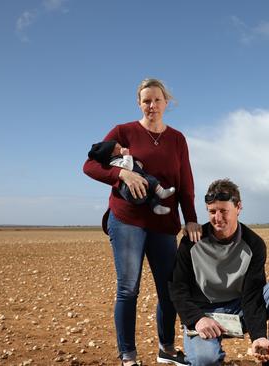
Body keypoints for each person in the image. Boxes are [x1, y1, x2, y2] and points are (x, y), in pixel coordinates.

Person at [83, 78, 202, 366]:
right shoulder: (123, 132)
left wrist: (192, 220)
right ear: (139, 103)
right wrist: (122, 175)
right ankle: (128, 356)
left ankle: (166, 349)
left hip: (163, 223)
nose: (152, 105)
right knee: (128, 288)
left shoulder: (177, 139)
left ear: (166, 102)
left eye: (157, 100)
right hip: (127, 219)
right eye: (146, 100)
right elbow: (89, 164)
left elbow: (185, 183)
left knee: (169, 288)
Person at [170, 178, 269, 366]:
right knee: (204, 361)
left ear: (238, 207)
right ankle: (211, 353)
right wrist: (197, 319)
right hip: (204, 314)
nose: (217, 217)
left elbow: (253, 295)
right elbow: (177, 288)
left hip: (239, 310)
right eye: (212, 211)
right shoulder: (191, 242)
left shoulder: (254, 244)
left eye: (224, 211)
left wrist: (259, 337)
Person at [88, 139, 176, 215]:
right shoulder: (114, 162)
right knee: (150, 179)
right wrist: (126, 155)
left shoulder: (118, 160)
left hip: (136, 192)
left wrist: (137, 164)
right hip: (130, 190)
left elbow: (131, 166)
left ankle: (156, 207)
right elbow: (127, 167)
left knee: (151, 195)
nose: (123, 148)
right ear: (112, 154)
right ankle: (162, 192)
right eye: (119, 148)